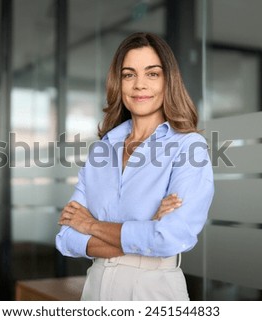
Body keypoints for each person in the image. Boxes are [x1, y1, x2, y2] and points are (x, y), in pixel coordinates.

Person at [56, 32, 214, 301]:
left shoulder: (189, 147)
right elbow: (66, 238)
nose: (140, 85)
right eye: (129, 75)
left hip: (153, 291)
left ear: (168, 81)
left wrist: (92, 225)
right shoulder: (102, 150)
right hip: (95, 289)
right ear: (119, 83)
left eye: (152, 74)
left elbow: (169, 237)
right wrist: (144, 231)